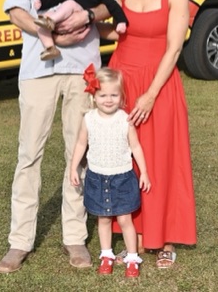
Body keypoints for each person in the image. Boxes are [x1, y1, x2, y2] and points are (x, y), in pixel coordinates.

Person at [0, 0, 114, 274]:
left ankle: (74, 237)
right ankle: (19, 241)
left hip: (82, 67)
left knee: (78, 154)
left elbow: (106, 4)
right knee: (29, 154)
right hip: (38, 67)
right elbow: (16, 10)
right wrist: (52, 34)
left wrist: (87, 16)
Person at [102, 0, 197, 269]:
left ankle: (166, 237)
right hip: (123, 81)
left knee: (161, 158)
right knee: (123, 158)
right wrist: (80, 24)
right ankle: (135, 232)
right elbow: (119, 32)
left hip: (159, 84)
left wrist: (151, 95)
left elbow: (174, 49)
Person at [69, 65, 151, 278]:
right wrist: (73, 167)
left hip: (122, 178)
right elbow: (81, 144)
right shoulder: (89, 119)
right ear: (94, 96)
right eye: (103, 95)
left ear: (121, 96)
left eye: (114, 95)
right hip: (97, 177)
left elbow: (136, 147)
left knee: (125, 220)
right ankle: (106, 255)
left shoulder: (125, 119)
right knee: (103, 220)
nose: (108, 100)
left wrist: (144, 172)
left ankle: (132, 257)